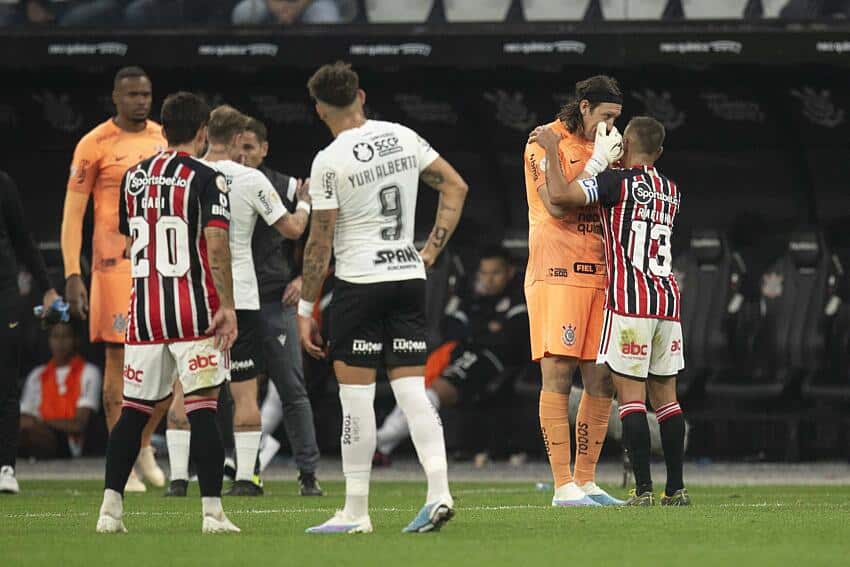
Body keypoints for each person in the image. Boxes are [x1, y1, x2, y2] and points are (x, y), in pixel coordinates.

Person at [298, 61, 468, 534]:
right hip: (410, 277)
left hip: (359, 283)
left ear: (318, 109)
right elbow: (456, 185)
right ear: (361, 96)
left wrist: (304, 307)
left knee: (356, 400)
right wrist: (430, 250)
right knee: (412, 392)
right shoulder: (403, 136)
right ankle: (439, 492)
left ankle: (356, 512)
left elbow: (320, 238)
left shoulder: (329, 159)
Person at [95, 91, 240, 534]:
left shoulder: (134, 177)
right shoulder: (207, 178)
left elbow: (128, 237)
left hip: (144, 315)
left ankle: (109, 511)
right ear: (201, 133)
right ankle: (213, 514)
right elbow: (215, 247)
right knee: (203, 409)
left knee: (134, 411)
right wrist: (227, 305)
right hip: (193, 313)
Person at [530, 115, 689, 506]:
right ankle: (677, 489)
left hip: (630, 302)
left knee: (631, 399)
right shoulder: (672, 190)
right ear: (661, 152)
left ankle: (645, 491)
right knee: (667, 400)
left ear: (625, 147)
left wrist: (555, 150)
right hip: (667, 303)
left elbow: (563, 198)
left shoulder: (617, 184)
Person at [163, 106, 311, 498]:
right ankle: (246, 477)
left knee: (184, 385)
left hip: (193, 293)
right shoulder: (251, 178)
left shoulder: (185, 175)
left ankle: (178, 479)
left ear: (206, 132)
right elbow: (294, 229)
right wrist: (307, 201)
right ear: (235, 139)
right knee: (245, 391)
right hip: (241, 296)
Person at [61, 66, 167, 492]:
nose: (141, 101)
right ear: (115, 97)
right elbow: (73, 213)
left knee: (167, 362)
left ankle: (142, 446)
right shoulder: (94, 144)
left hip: (159, 265)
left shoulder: (162, 138)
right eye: (133, 95)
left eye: (146, 93)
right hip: (113, 269)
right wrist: (73, 270)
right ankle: (121, 461)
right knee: (118, 363)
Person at [523, 75, 624, 507]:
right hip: (557, 269)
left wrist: (608, 159)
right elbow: (557, 202)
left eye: (617, 119)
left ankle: (586, 481)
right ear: (584, 107)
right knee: (559, 371)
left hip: (600, 273)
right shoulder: (543, 142)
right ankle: (562, 483)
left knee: (602, 378)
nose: (611, 126)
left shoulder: (610, 147)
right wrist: (597, 164)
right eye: (605, 116)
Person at [375, 246, 529, 463]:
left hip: (491, 360)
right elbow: (451, 328)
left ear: (509, 272)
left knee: (436, 389)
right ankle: (381, 445)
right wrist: (487, 328)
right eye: (484, 273)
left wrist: (477, 332)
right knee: (416, 386)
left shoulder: (519, 296)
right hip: (457, 350)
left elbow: (511, 338)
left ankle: (378, 442)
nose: (489, 279)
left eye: (496, 273)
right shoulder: (469, 295)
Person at [240, 117, 323, 496]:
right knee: (235, 390)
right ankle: (243, 471)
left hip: (275, 299)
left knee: (292, 387)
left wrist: (304, 279)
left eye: (250, 148)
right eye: (238, 148)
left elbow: (326, 229)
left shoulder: (287, 186)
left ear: (265, 149)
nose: (243, 156)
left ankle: (308, 474)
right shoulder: (221, 180)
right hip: (236, 302)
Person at [0, 170, 61, 494]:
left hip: (3, 292)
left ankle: (5, 466)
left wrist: (48, 289)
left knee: (5, 380)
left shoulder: (3, 183)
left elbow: (23, 240)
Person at [19, 321, 101, 460]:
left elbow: (79, 424)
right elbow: (23, 418)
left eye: (65, 337)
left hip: (68, 441)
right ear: (49, 340)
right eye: (55, 336)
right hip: (36, 433)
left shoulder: (89, 372)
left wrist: (40, 422)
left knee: (31, 431)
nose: (60, 342)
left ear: (76, 340)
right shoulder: (37, 375)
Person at [232, 0, 348, 25]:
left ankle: (322, 78)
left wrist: (297, 7)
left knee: (326, 20)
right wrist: (273, 3)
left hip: (310, 3)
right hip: (267, 3)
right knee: (245, 13)